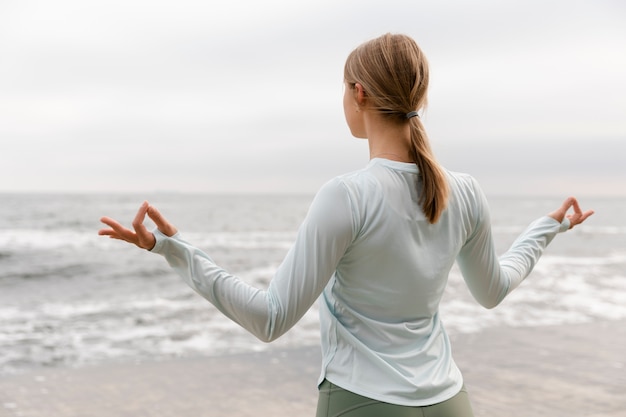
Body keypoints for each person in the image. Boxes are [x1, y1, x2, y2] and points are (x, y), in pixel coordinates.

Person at [99, 33, 594, 417]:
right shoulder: (464, 191)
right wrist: (546, 230)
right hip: (449, 402)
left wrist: (174, 249)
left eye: (342, 88)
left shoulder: (347, 195)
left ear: (358, 93)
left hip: (362, 402)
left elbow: (270, 318)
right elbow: (494, 290)